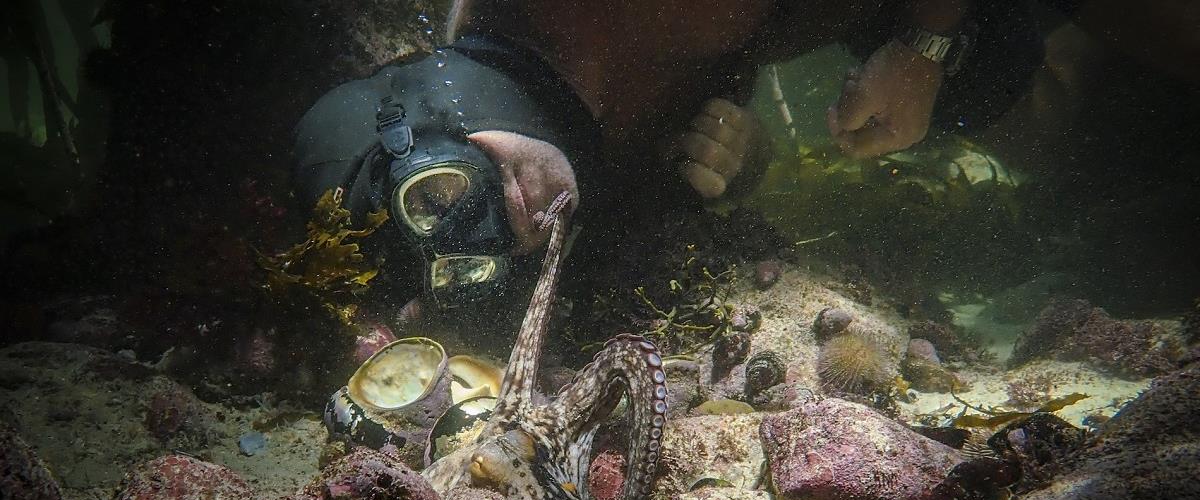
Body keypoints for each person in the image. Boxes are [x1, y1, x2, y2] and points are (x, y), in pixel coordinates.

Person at [292, 0, 1033, 313]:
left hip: (640, 143)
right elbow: (353, 126)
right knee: (416, 201)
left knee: (1010, 69)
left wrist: (926, 42)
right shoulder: (479, 96)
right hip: (521, 95)